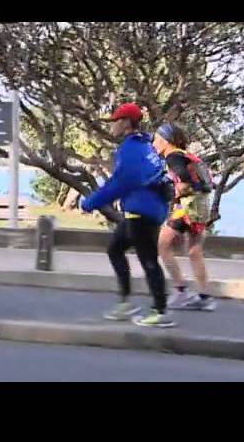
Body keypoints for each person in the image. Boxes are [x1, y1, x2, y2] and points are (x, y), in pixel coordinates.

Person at [81, 103, 175, 328]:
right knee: (115, 249)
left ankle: (160, 311)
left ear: (125, 123)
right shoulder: (145, 145)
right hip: (145, 210)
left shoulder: (131, 149)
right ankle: (125, 303)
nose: (112, 125)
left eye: (115, 120)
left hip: (143, 212)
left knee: (149, 260)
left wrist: (90, 203)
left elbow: (120, 183)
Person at [152, 122, 216, 311]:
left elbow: (184, 184)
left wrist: (171, 193)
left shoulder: (173, 156)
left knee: (162, 244)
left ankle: (181, 291)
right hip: (202, 207)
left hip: (187, 207)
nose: (154, 144)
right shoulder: (186, 155)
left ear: (166, 141)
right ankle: (204, 297)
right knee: (194, 251)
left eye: (156, 139)